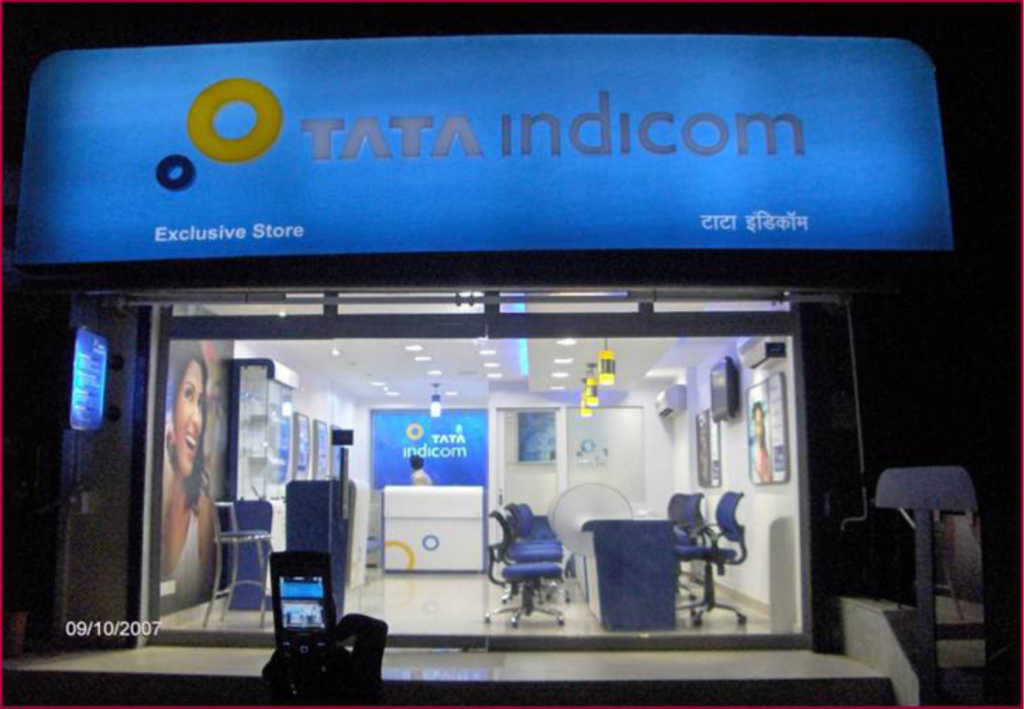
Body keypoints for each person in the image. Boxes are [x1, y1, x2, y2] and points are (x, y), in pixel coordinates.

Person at [161, 344, 216, 600]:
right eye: (188, 395)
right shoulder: (151, 506)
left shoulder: (202, 514)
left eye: (201, 403)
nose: (197, 419)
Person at [751, 402, 772, 484]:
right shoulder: (754, 454)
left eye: (762, 424)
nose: (761, 429)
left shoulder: (769, 447)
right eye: (758, 424)